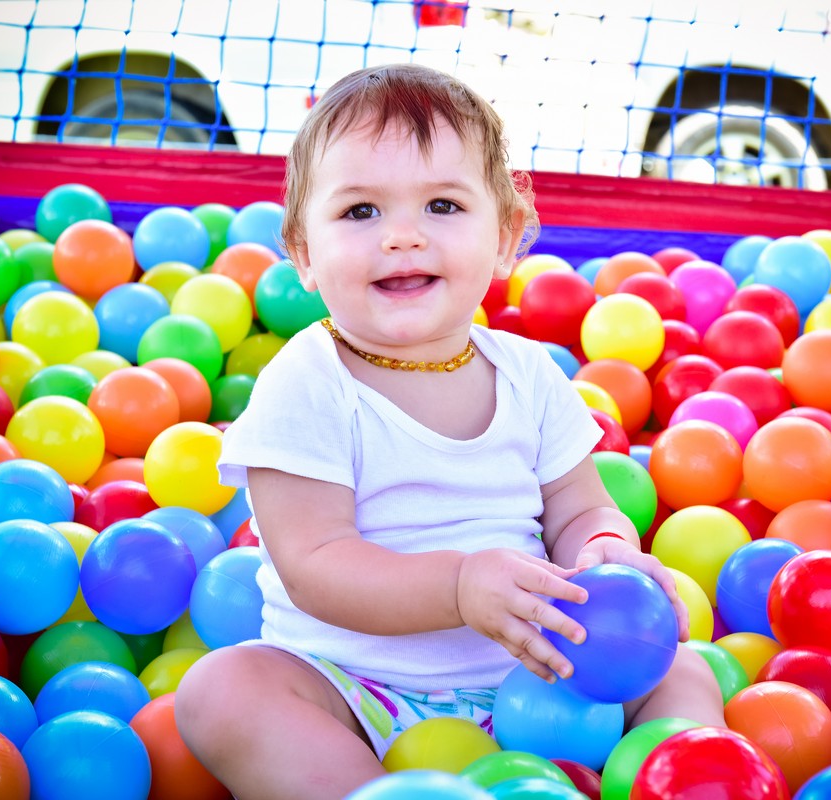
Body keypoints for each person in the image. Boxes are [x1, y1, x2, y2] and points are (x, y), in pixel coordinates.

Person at [175, 62, 724, 799]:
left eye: (442, 204)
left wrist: (604, 551)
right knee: (223, 689)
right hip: (356, 693)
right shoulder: (305, 383)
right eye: (360, 211)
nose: (402, 236)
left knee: (682, 669)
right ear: (303, 251)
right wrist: (460, 586)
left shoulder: (528, 374)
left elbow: (580, 508)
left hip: (544, 681)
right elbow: (314, 565)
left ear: (506, 236)